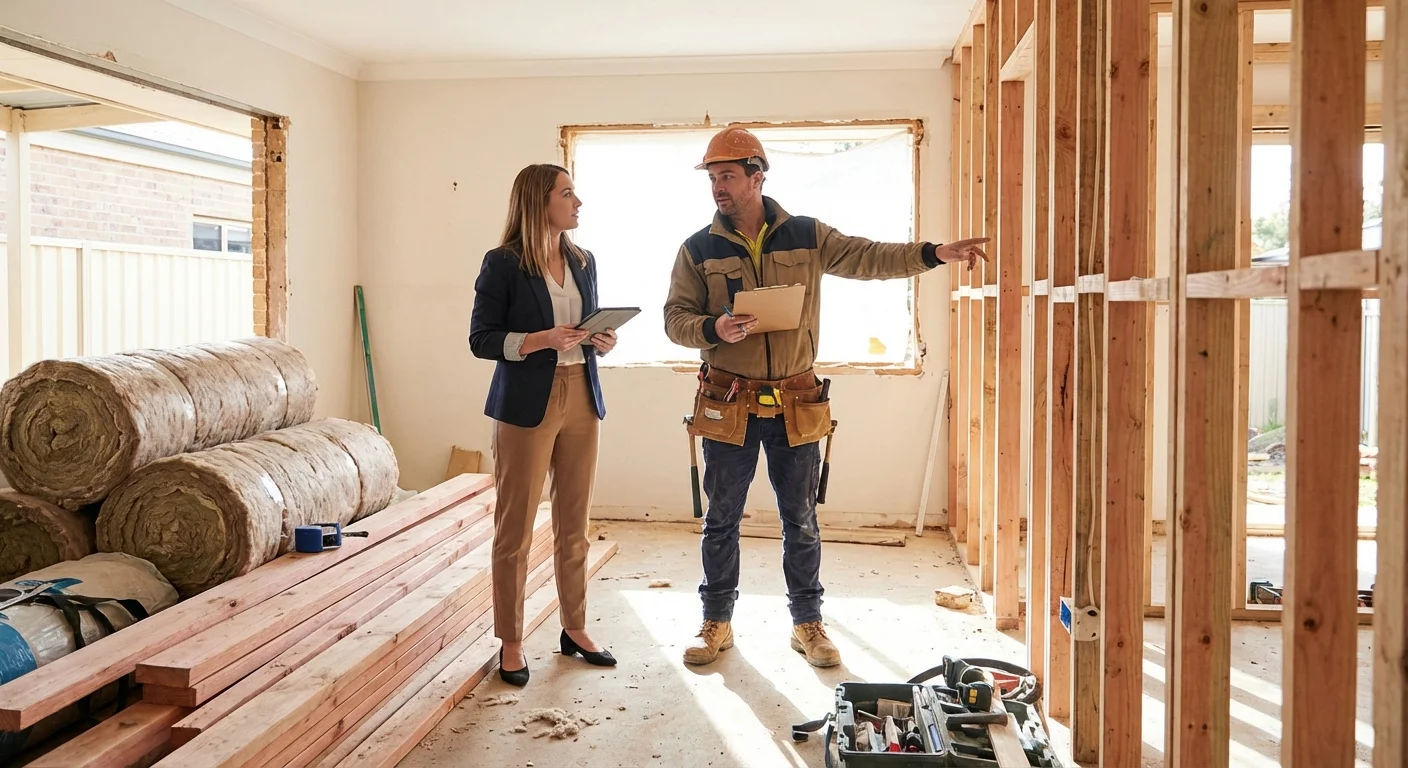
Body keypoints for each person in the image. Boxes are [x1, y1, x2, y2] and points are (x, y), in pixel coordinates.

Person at [663, 126, 989, 668]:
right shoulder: (697, 248)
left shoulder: (807, 235)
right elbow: (675, 318)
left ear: (757, 177)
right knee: (721, 520)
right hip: (729, 402)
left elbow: (869, 257)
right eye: (713, 177)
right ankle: (716, 622)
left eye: (728, 176)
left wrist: (934, 253)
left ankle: (807, 624)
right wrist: (713, 328)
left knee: (801, 521)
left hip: (796, 401)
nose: (718, 187)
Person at [469, 163, 620, 686]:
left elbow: (586, 326)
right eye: (567, 193)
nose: (578, 203)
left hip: (582, 393)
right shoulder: (503, 263)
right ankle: (511, 641)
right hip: (526, 403)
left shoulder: (583, 260)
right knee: (514, 529)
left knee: (574, 523)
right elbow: (481, 339)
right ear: (540, 201)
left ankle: (575, 628)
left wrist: (601, 339)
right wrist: (539, 340)